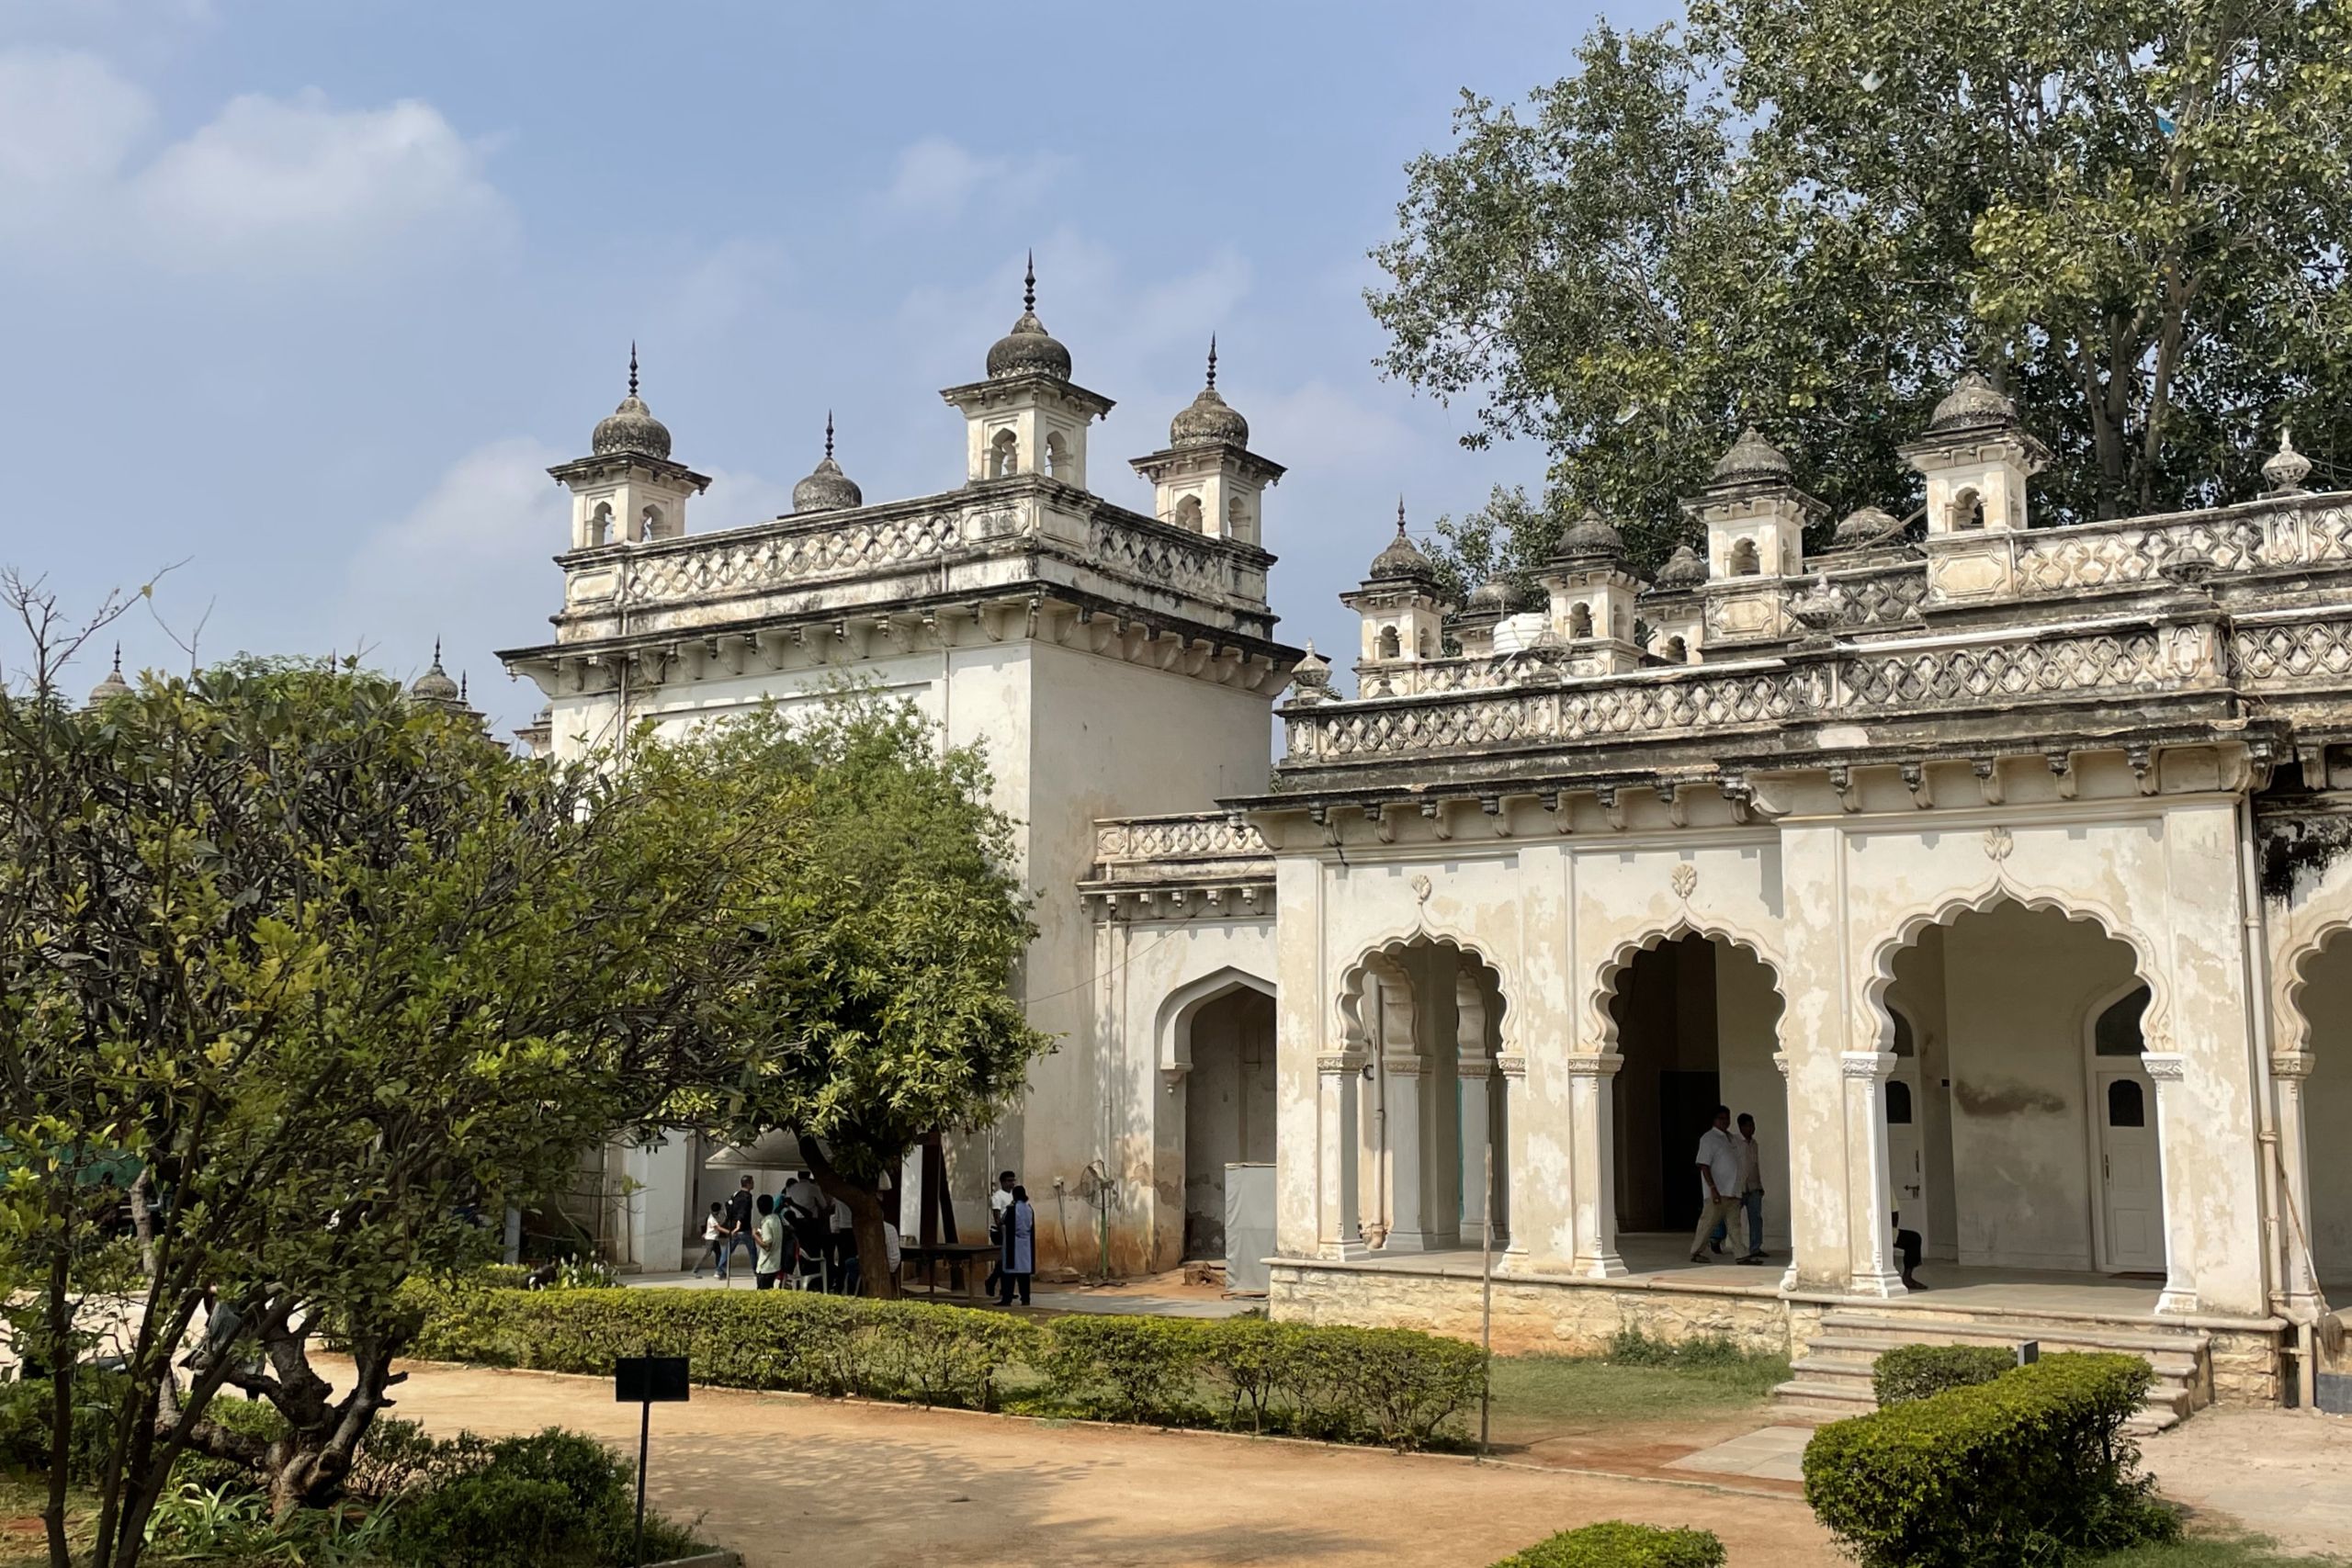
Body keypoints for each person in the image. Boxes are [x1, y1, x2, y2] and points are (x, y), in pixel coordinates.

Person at [1690, 1106, 1744, 1264]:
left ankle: (1741, 1255)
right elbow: (1703, 1164)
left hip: (1733, 1190)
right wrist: (1712, 1188)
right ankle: (1696, 1252)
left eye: (1727, 1118)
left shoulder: (1731, 1138)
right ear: (1714, 1120)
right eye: (1721, 1118)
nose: (1725, 1122)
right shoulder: (1708, 1138)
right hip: (1718, 1191)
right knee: (1708, 1224)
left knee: (1735, 1226)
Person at [1713, 1112, 1768, 1264]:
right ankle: (1716, 1237)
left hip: (1753, 1187)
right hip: (1738, 1187)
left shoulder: (1754, 1144)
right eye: (1749, 1125)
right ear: (1741, 1126)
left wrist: (1760, 1185)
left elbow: (1755, 1166)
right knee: (1730, 1218)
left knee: (1756, 1218)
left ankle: (1755, 1247)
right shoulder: (1734, 1142)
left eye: (1753, 1125)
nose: (1752, 1128)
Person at [997, 1183, 1035, 1307]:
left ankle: (1007, 1299)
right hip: (1026, 1244)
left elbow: (1003, 1221)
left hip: (1012, 1244)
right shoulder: (1029, 1208)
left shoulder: (1012, 1209)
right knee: (1024, 1274)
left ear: (1014, 1195)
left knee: (1009, 1273)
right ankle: (1025, 1299)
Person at [983, 1169, 1016, 1296]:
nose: (1011, 1183)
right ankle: (992, 1281)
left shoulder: (1013, 1195)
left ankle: (1005, 1289)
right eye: (1009, 1181)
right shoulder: (997, 1197)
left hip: (1010, 1231)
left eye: (1013, 1180)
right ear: (1002, 1182)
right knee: (1004, 1260)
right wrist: (1003, 1233)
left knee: (1007, 1261)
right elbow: (997, 1218)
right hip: (999, 1232)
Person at [723, 1175, 757, 1275]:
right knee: (752, 1250)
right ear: (748, 1184)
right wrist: (738, 1225)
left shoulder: (736, 1194)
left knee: (729, 1249)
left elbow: (729, 1208)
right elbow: (743, 1212)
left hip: (734, 1227)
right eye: (752, 1182)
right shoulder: (747, 1196)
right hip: (744, 1228)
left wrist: (732, 1224)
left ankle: (720, 1270)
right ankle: (756, 1270)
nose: (753, 1184)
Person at [692, 1201, 733, 1280]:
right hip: (711, 1240)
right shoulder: (712, 1219)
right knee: (707, 1254)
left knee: (719, 1255)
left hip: (714, 1239)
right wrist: (729, 1232)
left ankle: (720, 1271)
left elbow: (720, 1223)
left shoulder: (714, 1217)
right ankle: (695, 1270)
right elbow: (718, 1228)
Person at [752, 1193, 786, 1290]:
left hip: (766, 1267)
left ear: (759, 1209)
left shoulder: (766, 1222)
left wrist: (754, 1235)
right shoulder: (777, 1218)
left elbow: (767, 1246)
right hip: (775, 1264)